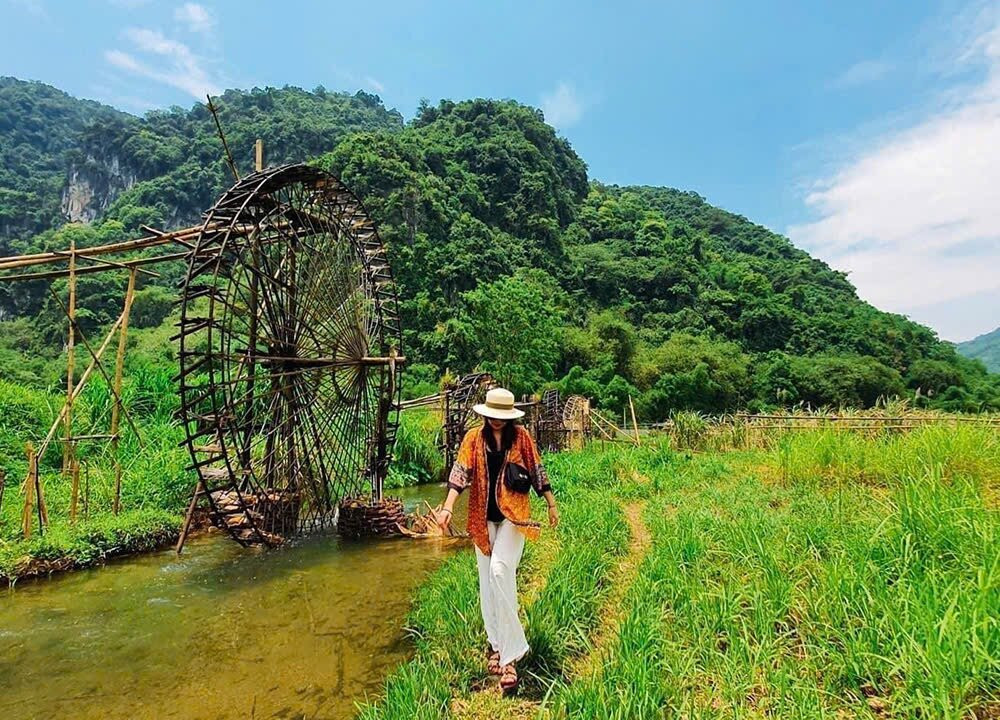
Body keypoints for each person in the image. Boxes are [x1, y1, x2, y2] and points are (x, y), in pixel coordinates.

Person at [435, 386, 559, 694]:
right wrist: (448, 506)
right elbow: (459, 473)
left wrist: (551, 503)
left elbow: (537, 470)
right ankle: (496, 644)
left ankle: (511, 656)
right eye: (493, 417)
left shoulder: (522, 439)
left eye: (503, 417)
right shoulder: (474, 439)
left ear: (511, 417)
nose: (497, 422)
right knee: (487, 582)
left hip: (513, 516)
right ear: (486, 414)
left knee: (501, 571)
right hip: (482, 517)